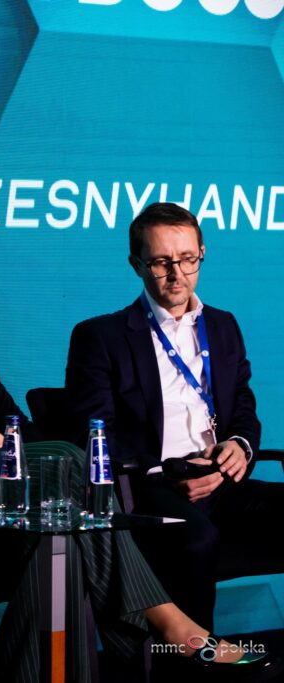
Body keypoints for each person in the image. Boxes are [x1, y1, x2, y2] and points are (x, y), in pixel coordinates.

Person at [0, 216, 279, 681]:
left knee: (59, 536)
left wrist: (3, 438)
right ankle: (169, 623)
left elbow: (24, 429)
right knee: (66, 464)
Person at [65, 202, 284, 632]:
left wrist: (240, 446)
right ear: (137, 264)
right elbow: (93, 434)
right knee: (197, 540)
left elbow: (243, 405)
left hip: (222, 481)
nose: (177, 274)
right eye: (161, 262)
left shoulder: (223, 326)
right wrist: (167, 473)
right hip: (151, 487)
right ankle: (194, 657)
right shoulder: (101, 336)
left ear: (202, 253)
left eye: (187, 259)